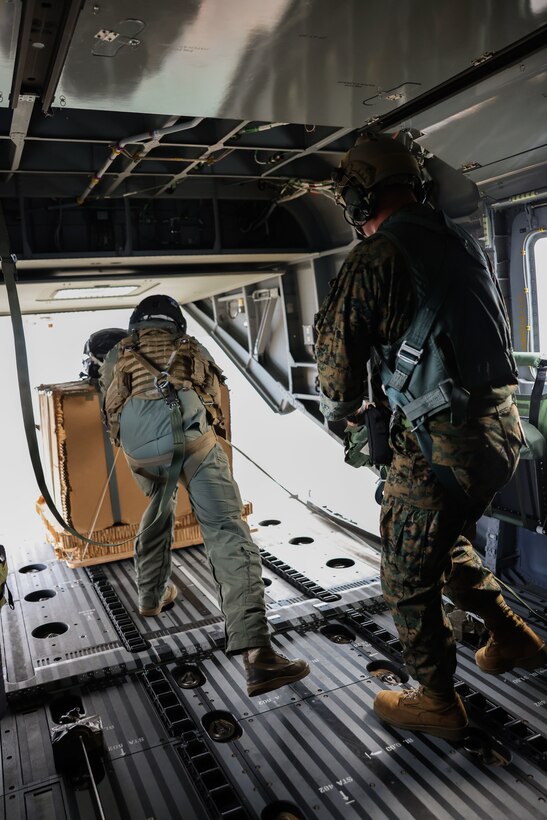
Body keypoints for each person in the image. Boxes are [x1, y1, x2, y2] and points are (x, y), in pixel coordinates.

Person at [314, 132, 546, 740]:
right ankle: (512, 637)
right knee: (443, 545)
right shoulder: (462, 242)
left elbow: (336, 377)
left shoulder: (374, 257)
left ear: (359, 200)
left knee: (404, 576)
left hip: (439, 449)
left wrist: (349, 411)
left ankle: (437, 701)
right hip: (498, 435)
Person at [99, 294, 309, 697]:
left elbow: (110, 406)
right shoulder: (191, 346)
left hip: (141, 453)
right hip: (195, 445)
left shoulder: (118, 354)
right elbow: (213, 395)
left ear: (136, 325)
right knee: (227, 532)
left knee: (159, 508)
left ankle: (151, 596)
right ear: (176, 323)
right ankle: (258, 654)